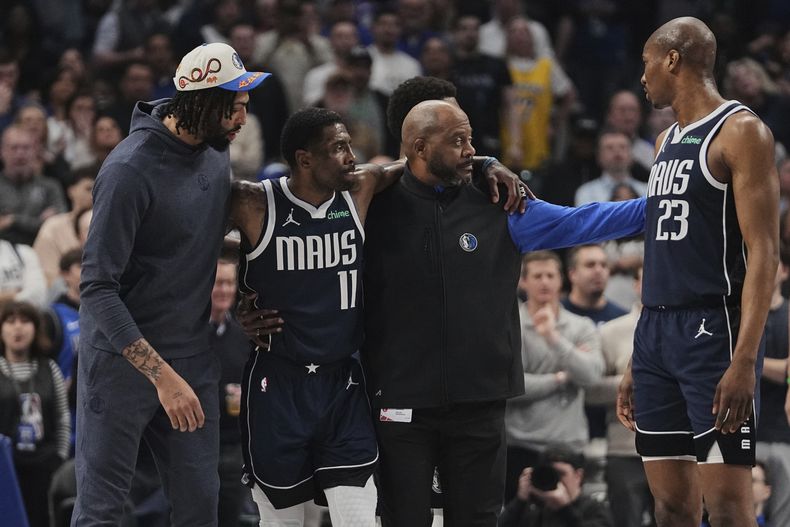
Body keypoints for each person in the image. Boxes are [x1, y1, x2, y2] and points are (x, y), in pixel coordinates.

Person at [362, 99, 646, 526]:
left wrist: (668, 203)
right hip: (401, 404)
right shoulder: (372, 208)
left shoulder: (499, 201)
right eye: (458, 141)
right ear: (419, 147)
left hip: (481, 404)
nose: (470, 151)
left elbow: (585, 221)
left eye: (472, 140)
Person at [72, 42, 270, 526]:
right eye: (236, 107)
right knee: (102, 512)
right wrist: (161, 377)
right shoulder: (128, 170)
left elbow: (196, 240)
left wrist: (245, 292)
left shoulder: (213, 152)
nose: (243, 120)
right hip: (122, 362)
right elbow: (97, 287)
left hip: (191, 355)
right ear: (202, 102)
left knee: (201, 505)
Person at [616, 17, 780, 527]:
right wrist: (636, 356)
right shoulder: (664, 142)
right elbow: (665, 254)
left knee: (729, 507)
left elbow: (765, 254)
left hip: (713, 333)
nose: (642, 77)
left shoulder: (742, 131)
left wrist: (744, 360)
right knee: (669, 506)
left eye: (646, 63)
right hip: (656, 333)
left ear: (672, 59)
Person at [504, 251, 603, 503]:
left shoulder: (581, 326)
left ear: (561, 281)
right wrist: (561, 378)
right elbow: (508, 385)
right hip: (520, 445)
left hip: (569, 445)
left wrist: (553, 338)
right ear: (523, 281)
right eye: (537, 276)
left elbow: (591, 375)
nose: (545, 282)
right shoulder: (509, 326)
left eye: (550, 275)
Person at [0, 301, 70, 527]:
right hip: (6, 468)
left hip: (44, 468)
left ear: (35, 328)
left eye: (25, 321)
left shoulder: (50, 368)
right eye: (10, 322)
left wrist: (59, 457)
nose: (17, 328)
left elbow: (62, 418)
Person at [498, 444, 613, 527]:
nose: (557, 480)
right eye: (551, 474)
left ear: (578, 476)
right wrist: (520, 500)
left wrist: (565, 509)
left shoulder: (595, 508)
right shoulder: (534, 509)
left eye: (561, 474)